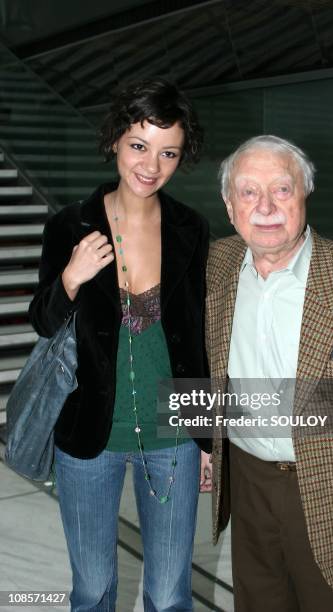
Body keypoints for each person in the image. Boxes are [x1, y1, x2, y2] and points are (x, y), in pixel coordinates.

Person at [29, 79, 212, 612]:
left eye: (168, 152)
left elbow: (197, 338)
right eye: (139, 145)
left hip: (172, 431)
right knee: (92, 588)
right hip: (89, 433)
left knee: (169, 591)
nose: (151, 165)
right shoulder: (70, 226)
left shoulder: (190, 229)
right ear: (114, 140)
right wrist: (70, 278)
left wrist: (205, 435)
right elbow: (42, 321)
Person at [206, 135, 333, 611]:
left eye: (282, 189)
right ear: (229, 204)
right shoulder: (217, 265)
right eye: (249, 191)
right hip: (248, 481)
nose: (266, 206)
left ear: (304, 195)